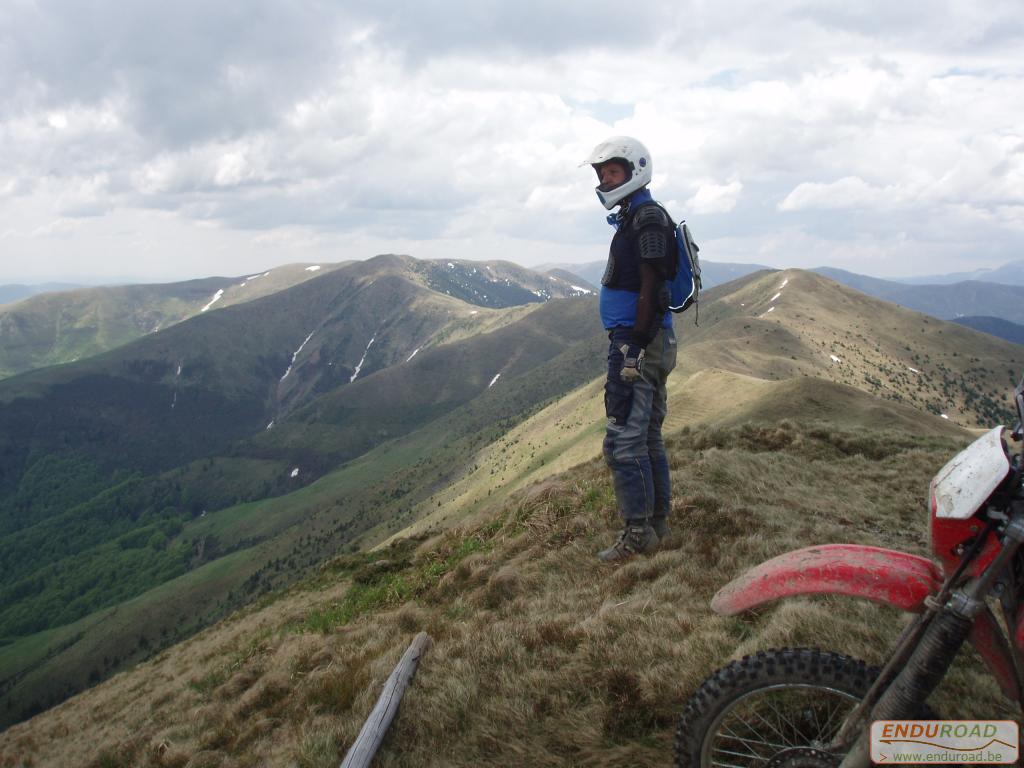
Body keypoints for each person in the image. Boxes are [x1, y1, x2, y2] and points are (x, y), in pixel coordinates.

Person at [582, 136, 678, 562]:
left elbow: (652, 283)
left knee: (623, 441)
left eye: (613, 172)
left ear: (635, 170)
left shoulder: (647, 218)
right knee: (646, 436)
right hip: (643, 340)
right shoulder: (637, 216)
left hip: (637, 343)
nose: (605, 180)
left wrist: (635, 346)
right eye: (602, 173)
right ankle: (656, 525)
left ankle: (638, 534)